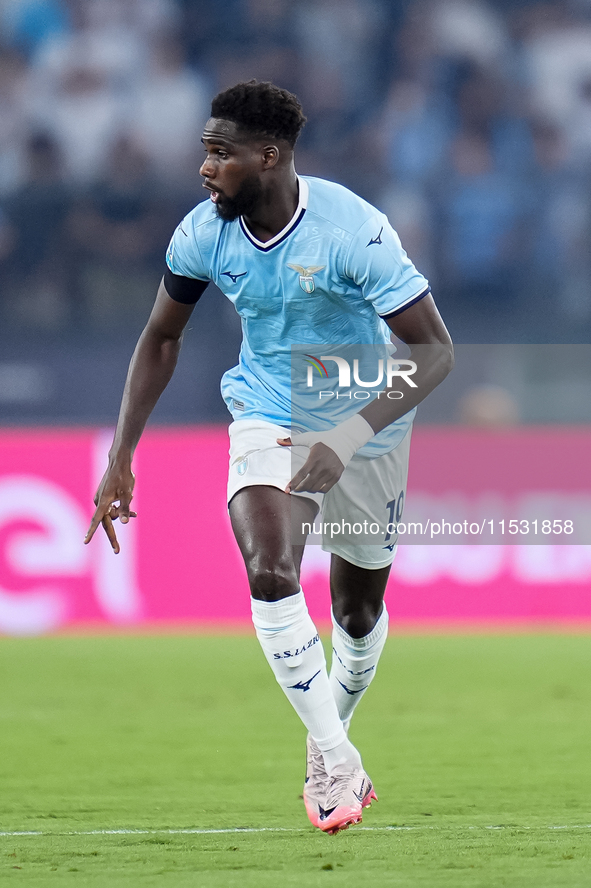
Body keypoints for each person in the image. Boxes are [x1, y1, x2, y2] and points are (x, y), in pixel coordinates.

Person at [85, 81, 454, 835]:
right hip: (267, 408)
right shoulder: (201, 234)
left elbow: (434, 352)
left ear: (269, 156)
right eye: (204, 153)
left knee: (356, 615)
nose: (205, 168)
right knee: (270, 568)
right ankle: (333, 754)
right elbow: (161, 337)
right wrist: (122, 455)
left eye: (219, 154)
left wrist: (347, 438)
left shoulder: (354, 230)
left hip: (366, 417)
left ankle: (331, 738)